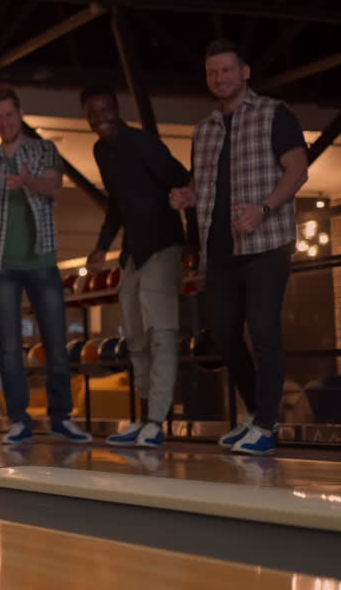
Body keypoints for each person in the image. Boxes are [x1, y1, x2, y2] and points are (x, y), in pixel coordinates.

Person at [170, 39, 307, 457]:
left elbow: (298, 170)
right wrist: (188, 195)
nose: (220, 78)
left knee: (263, 330)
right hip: (221, 250)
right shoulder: (205, 130)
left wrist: (264, 209)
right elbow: (205, 182)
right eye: (213, 72)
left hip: (266, 242)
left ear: (245, 71)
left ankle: (267, 424)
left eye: (227, 70)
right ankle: (255, 415)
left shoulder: (273, 114)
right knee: (226, 337)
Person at [0, 87, 91, 445]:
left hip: (41, 258)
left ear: (20, 113)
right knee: (9, 347)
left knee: (55, 341)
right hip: (0, 263)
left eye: (9, 115)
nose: (5, 122)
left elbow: (54, 188)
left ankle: (61, 418)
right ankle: (18, 421)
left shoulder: (43, 150)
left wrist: (27, 181)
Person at [82, 86, 191, 449]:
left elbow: (182, 181)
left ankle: (157, 421)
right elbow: (116, 203)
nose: (100, 117)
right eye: (93, 112)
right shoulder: (101, 151)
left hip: (163, 245)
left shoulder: (144, 144)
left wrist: (198, 248)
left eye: (104, 108)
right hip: (133, 253)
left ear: (115, 108)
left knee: (162, 333)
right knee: (136, 337)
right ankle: (146, 417)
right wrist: (101, 247)